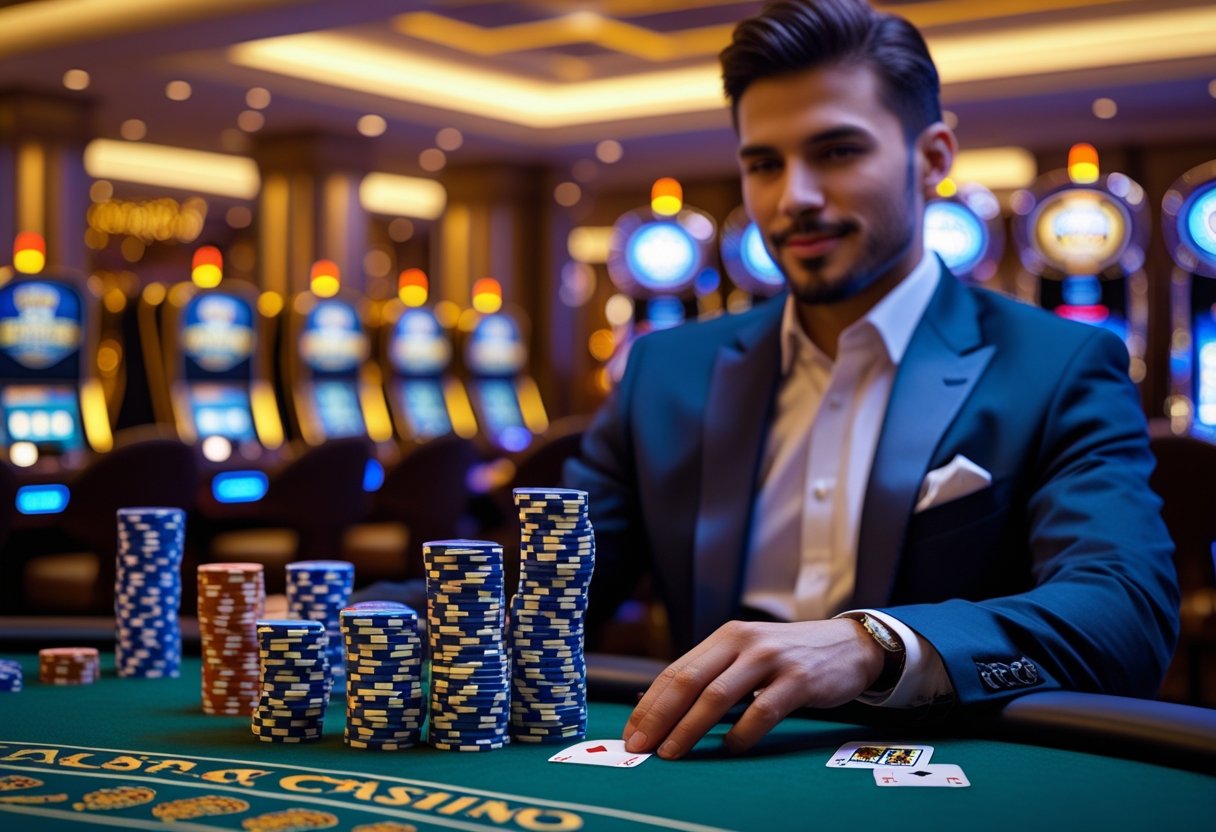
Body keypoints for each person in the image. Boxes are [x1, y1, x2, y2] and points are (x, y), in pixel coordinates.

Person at [564, 0, 1179, 761]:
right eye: (764, 164)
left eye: (836, 152)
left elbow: (1125, 614)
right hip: (712, 765)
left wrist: (876, 644)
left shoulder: (1057, 365)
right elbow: (549, 599)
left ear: (934, 157)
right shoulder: (665, 370)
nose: (795, 197)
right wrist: (387, 610)